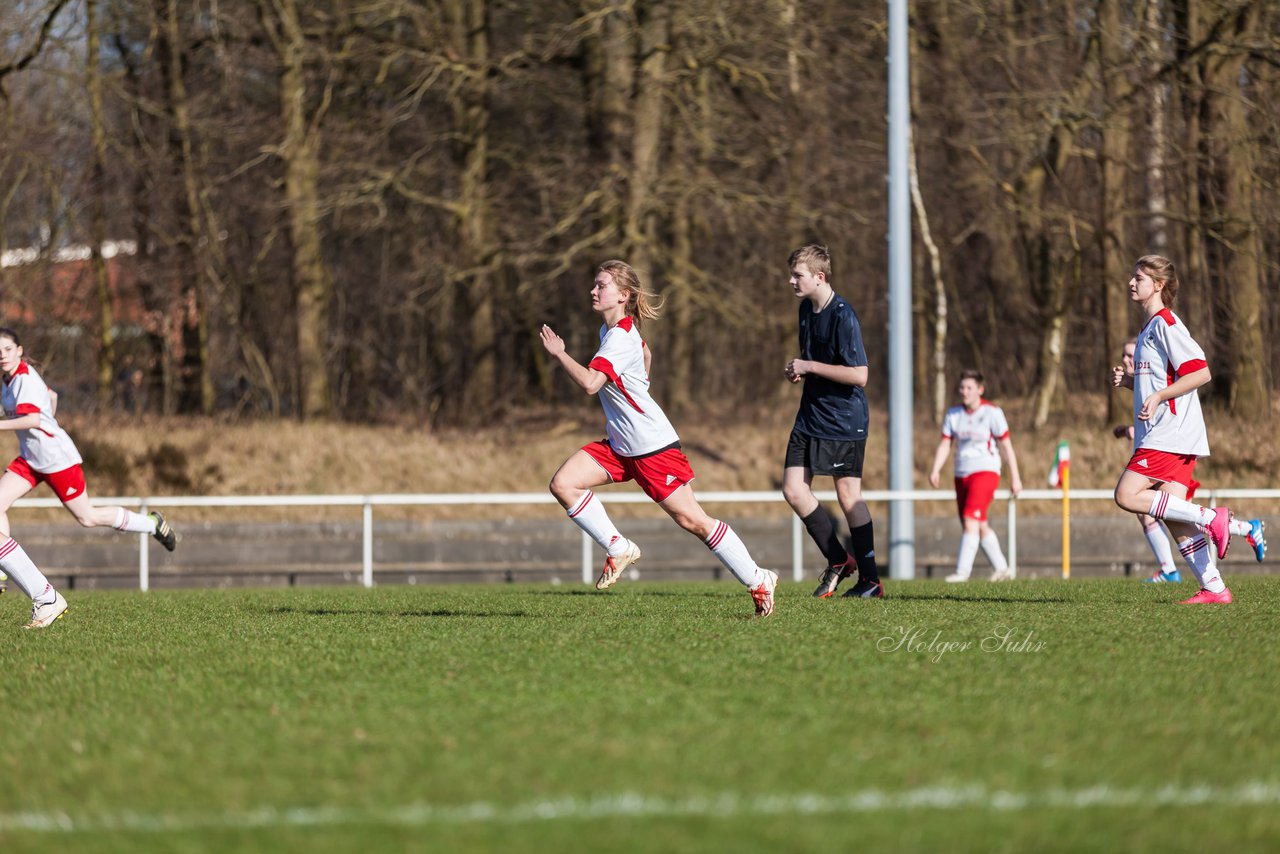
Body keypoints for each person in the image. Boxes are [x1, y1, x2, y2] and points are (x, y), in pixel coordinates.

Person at [539, 260, 778, 617]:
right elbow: (646, 353)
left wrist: (560, 354)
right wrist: (641, 385)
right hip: (621, 445)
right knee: (564, 483)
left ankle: (758, 578)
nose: (593, 291)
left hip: (652, 448)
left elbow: (591, 384)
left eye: (600, 285)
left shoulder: (619, 337)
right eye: (594, 284)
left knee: (693, 521)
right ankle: (618, 547)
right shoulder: (614, 333)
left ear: (623, 295)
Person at [1111, 255, 1265, 605]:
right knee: (1174, 517)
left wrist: (1161, 395)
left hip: (1170, 433)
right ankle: (1214, 587)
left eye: (1139, 278)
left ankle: (1214, 518)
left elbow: (1200, 372)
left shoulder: (1166, 322)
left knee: (1127, 495)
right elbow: (1159, 380)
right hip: (1170, 433)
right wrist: (1132, 383)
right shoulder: (1148, 327)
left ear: (1158, 285)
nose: (1131, 283)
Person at [0, 328, 177, 553]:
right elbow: (52, 397)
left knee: (87, 518)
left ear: (19, 350)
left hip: (57, 459)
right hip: (31, 459)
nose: (3, 355)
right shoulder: (9, 380)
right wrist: (47, 424)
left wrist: (44, 429)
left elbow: (33, 419)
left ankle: (152, 524)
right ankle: (2, 573)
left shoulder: (24, 378)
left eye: (7, 349)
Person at [780, 244, 884, 599]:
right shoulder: (805, 310)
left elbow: (859, 375)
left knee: (847, 495)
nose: (791, 281)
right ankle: (838, 559)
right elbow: (817, 363)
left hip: (843, 421)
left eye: (798, 275)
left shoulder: (844, 315)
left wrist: (808, 366)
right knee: (794, 489)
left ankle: (871, 580)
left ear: (819, 277)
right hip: (810, 415)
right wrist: (801, 371)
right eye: (792, 274)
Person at [927, 370, 1022, 582]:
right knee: (976, 523)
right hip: (961, 473)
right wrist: (936, 469)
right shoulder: (953, 414)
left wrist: (1015, 477)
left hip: (986, 471)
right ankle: (1002, 569)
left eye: (969, 387)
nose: (964, 392)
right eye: (962, 387)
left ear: (980, 389)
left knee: (971, 519)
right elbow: (945, 444)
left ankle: (962, 573)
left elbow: (1006, 446)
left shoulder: (992, 412)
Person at [1113, 337, 1184, 583]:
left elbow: (1161, 409)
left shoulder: (1155, 377)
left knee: (1183, 516)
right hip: (1156, 453)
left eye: (1131, 356)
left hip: (1166, 454)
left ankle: (1244, 528)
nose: (1125, 360)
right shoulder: (1139, 384)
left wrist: (1131, 431)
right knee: (1149, 513)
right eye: (1124, 355)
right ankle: (1169, 571)